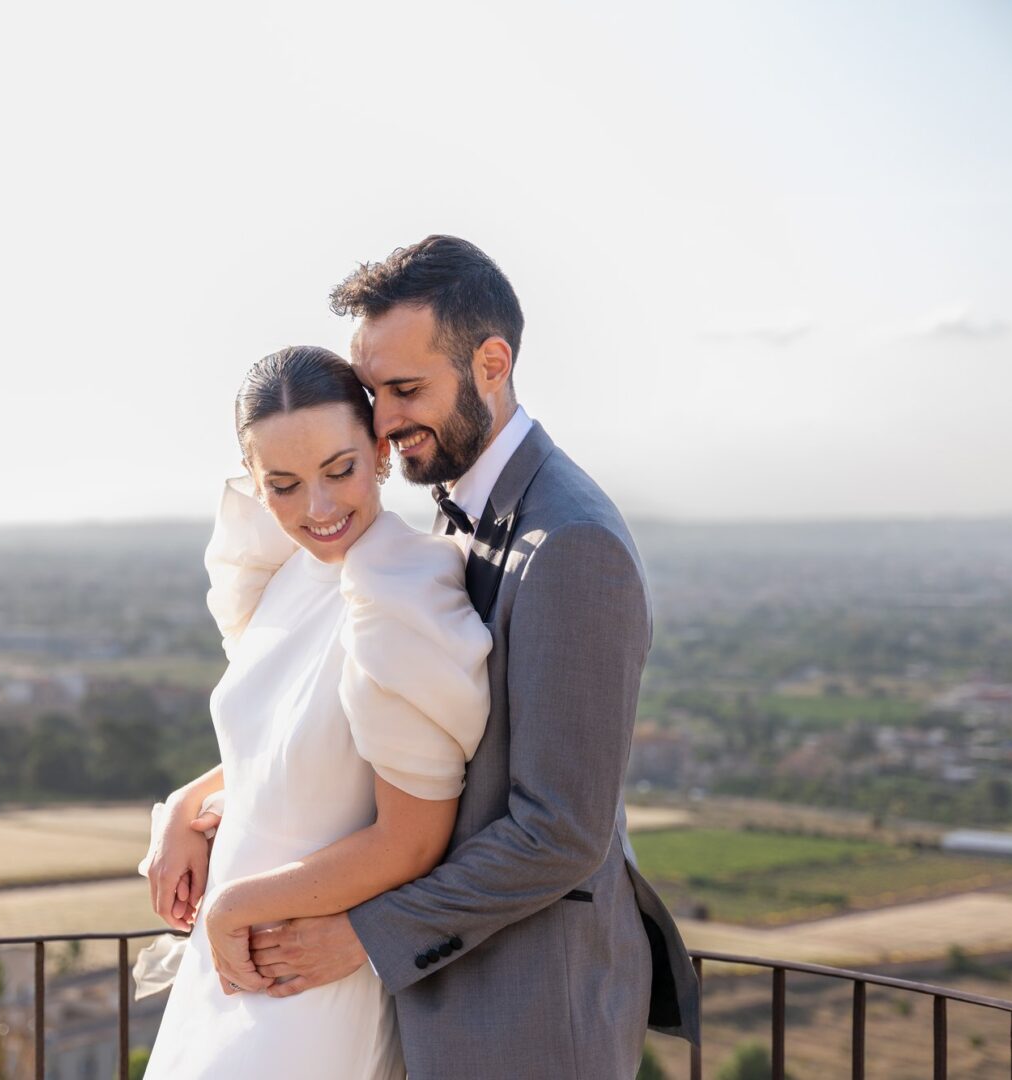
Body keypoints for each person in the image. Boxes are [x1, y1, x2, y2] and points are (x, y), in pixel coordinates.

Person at [151, 236, 702, 1079]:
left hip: (523, 1007)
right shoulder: (436, 512)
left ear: (491, 362)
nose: (386, 420)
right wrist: (193, 802)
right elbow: (345, 737)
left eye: (407, 390)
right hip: (414, 996)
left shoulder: (572, 544)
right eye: (375, 392)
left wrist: (366, 936)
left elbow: (560, 832)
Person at [140, 345, 493, 1079]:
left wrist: (235, 907)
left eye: (340, 471)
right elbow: (296, 745)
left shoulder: (401, 591)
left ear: (378, 451)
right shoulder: (291, 574)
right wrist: (189, 801)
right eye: (285, 485)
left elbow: (412, 839)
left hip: (306, 989)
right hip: (231, 970)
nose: (319, 510)